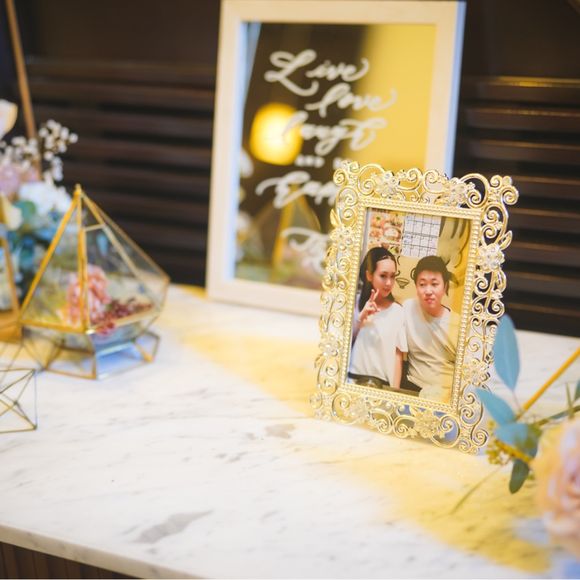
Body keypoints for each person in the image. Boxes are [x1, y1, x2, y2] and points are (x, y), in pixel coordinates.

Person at [402, 255, 460, 403]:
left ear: (445, 286)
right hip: (413, 388)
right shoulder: (408, 308)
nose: (428, 291)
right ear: (416, 287)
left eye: (434, 284)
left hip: (446, 398)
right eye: (422, 284)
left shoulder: (458, 324)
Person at [349, 247, 406, 390]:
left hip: (382, 386)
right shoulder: (353, 303)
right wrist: (360, 319)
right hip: (351, 380)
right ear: (369, 275)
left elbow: (398, 357)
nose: (389, 283)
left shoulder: (398, 312)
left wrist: (394, 392)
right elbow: (343, 345)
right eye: (383, 276)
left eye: (392, 276)